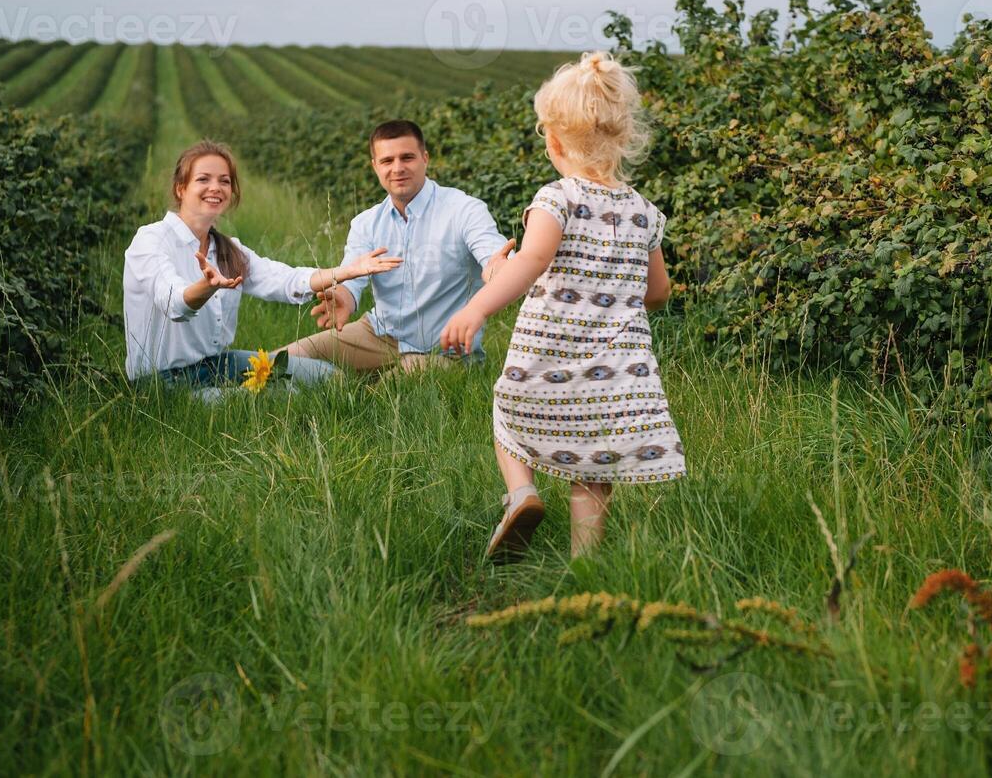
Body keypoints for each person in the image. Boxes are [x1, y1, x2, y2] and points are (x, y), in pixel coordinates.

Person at [439, 51, 685, 562]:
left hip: (547, 350)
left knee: (508, 414)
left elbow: (531, 261)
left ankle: (522, 494)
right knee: (592, 464)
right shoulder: (643, 212)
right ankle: (585, 562)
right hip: (616, 366)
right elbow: (659, 291)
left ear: (553, 140)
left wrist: (478, 306)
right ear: (621, 137)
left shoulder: (557, 198)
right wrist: (611, 284)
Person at [123, 139, 403, 388]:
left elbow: (283, 280)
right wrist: (205, 288)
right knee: (271, 401)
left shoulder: (228, 249)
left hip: (216, 365)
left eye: (224, 181)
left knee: (326, 377)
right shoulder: (151, 240)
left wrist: (346, 272)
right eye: (203, 179)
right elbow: (173, 302)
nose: (215, 188)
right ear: (181, 188)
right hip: (161, 382)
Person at [277, 119, 516, 374]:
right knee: (284, 360)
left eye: (407, 157)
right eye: (387, 161)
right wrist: (343, 297)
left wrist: (499, 268)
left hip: (446, 350)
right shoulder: (366, 223)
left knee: (384, 393)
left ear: (425, 158)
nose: (398, 168)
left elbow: (494, 257)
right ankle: (235, 384)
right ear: (375, 167)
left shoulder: (464, 210)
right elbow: (352, 279)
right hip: (379, 335)